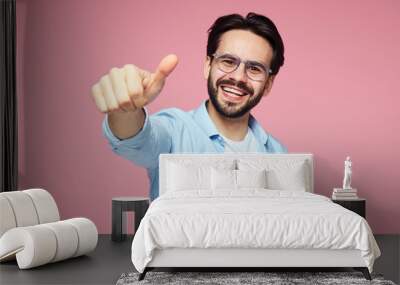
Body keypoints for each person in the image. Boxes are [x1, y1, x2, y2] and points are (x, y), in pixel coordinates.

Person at [91, 12, 288, 200]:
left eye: (254, 69)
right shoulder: (174, 131)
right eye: (228, 62)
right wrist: (126, 110)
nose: (238, 77)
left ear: (268, 84)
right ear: (207, 66)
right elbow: (137, 140)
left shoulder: (278, 153)